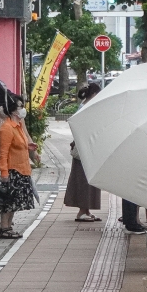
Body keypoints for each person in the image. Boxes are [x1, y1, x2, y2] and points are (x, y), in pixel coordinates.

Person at [0, 97, 38, 238]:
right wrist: (4, 172)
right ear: (13, 110)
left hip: (22, 169)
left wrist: (31, 149)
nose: (22, 109)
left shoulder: (18, 127)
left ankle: (8, 228)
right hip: (13, 170)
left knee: (14, 202)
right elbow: (3, 153)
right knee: (8, 201)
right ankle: (4, 228)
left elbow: (20, 145)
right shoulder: (7, 128)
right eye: (20, 107)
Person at [64, 83, 102, 222]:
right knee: (84, 180)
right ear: (93, 94)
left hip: (86, 148)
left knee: (85, 179)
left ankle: (85, 210)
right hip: (85, 149)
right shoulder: (87, 108)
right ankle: (82, 211)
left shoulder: (84, 106)